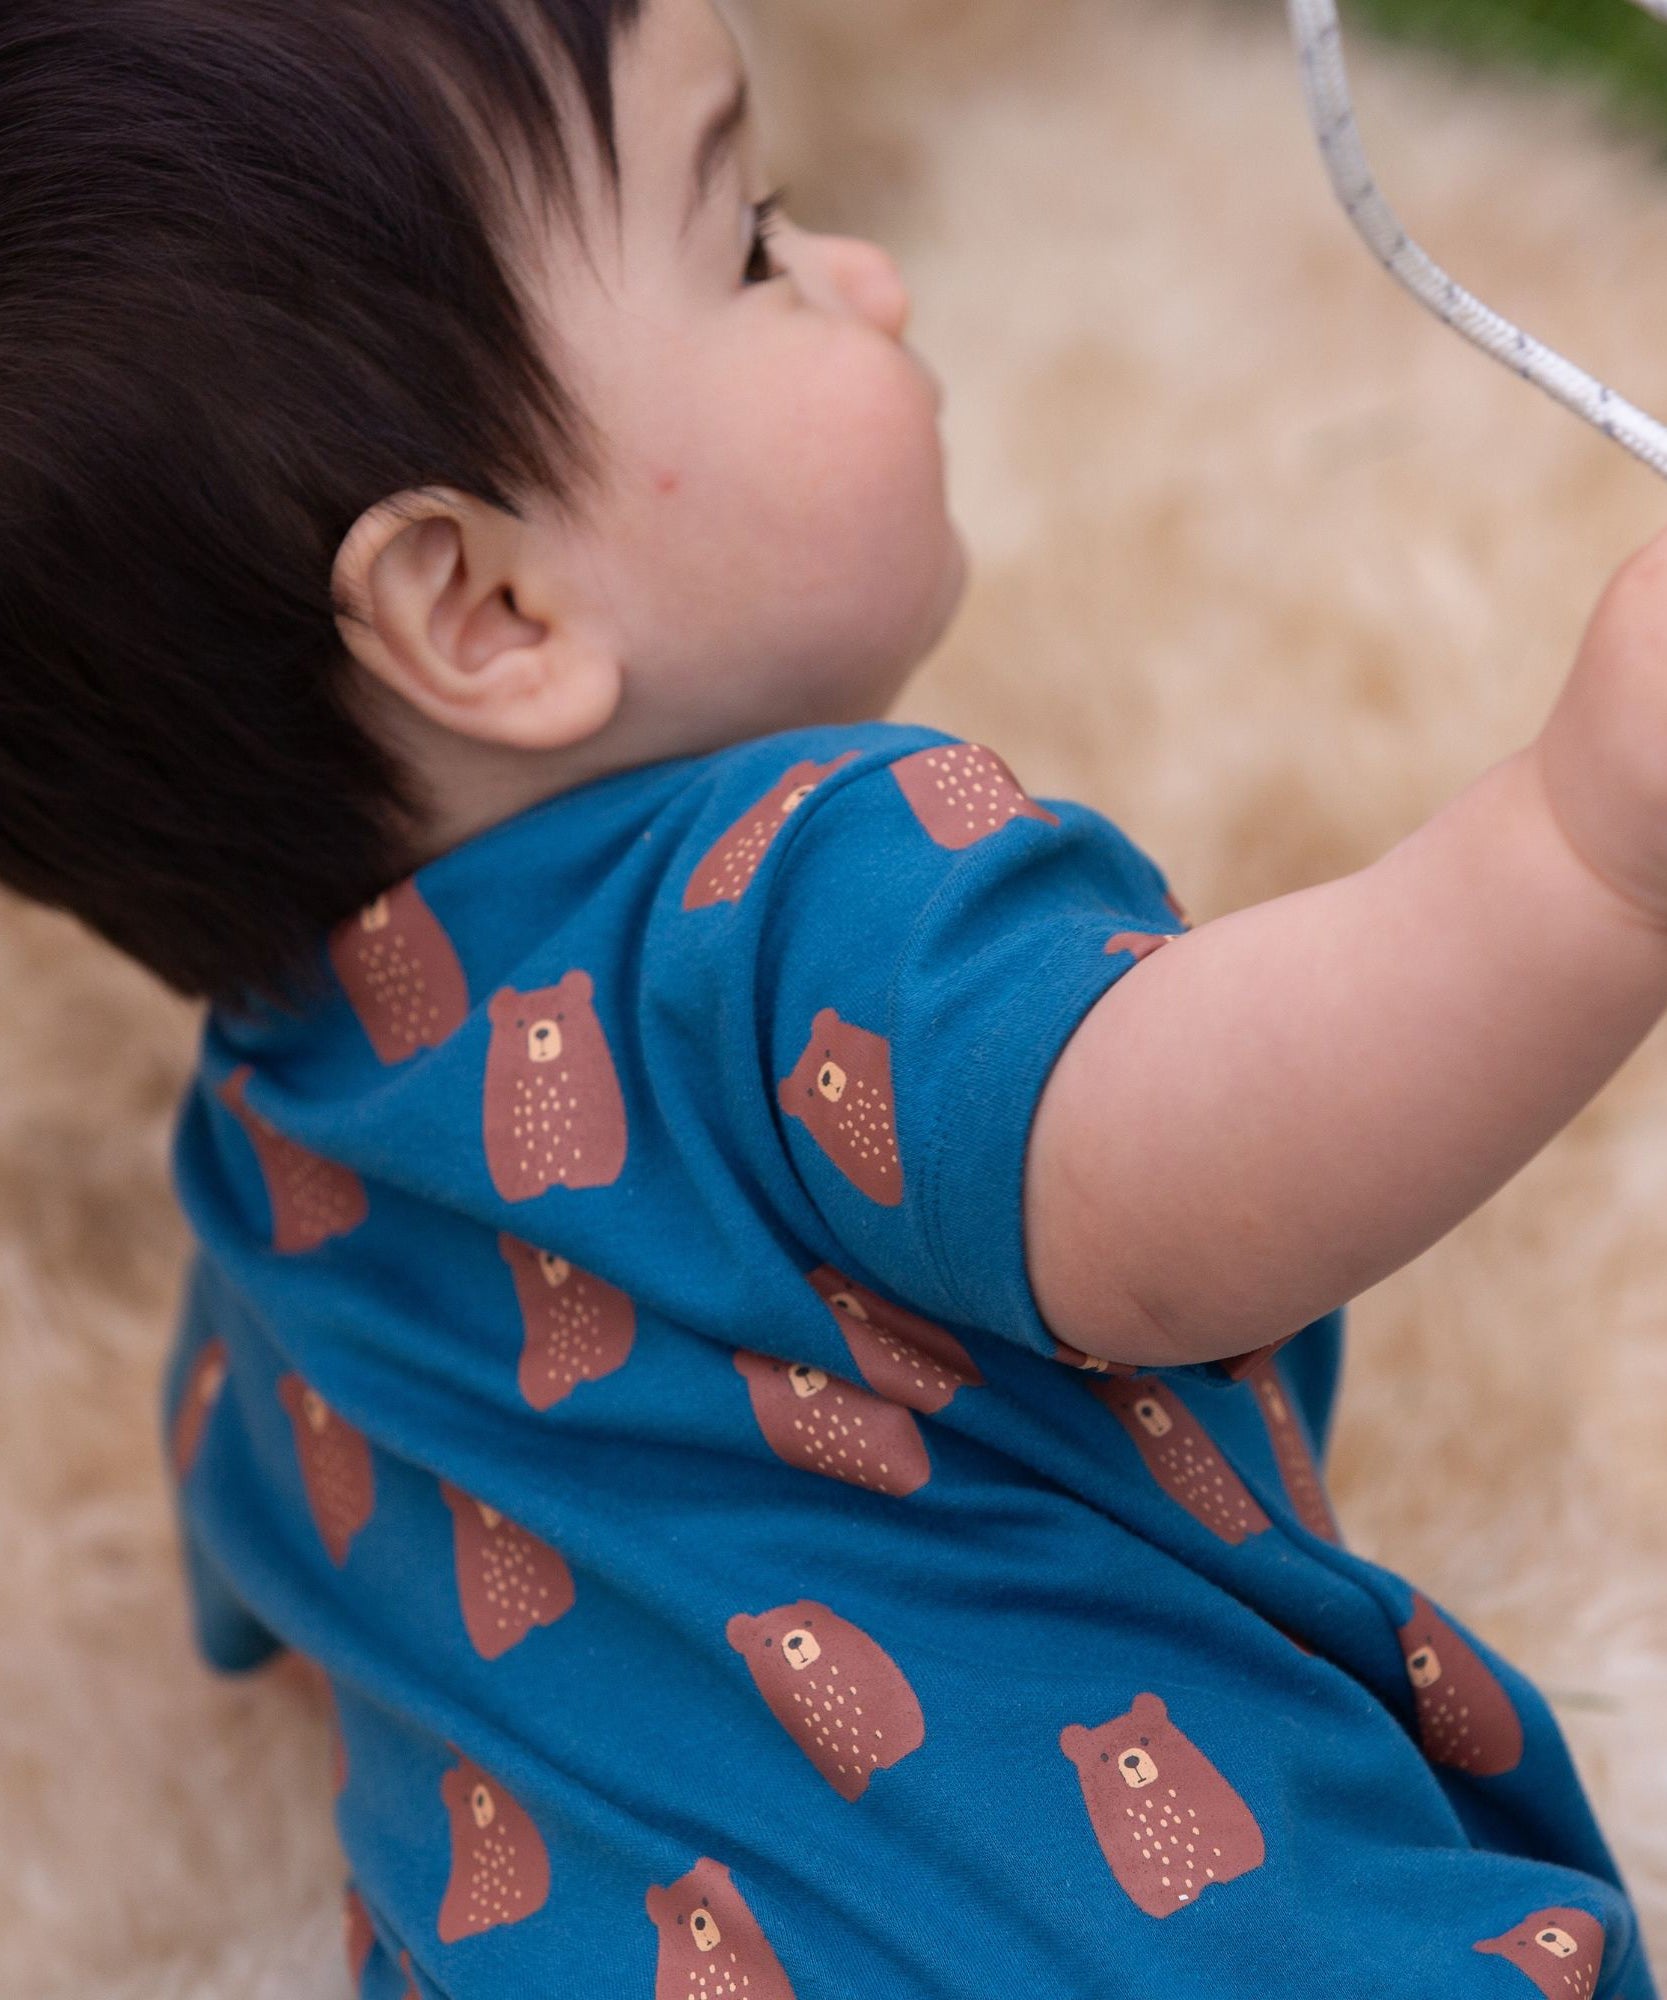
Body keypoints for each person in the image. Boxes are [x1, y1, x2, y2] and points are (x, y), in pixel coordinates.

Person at [3, 0, 1663, 1992]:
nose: (865, 280)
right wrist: (1584, 853)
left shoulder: (257, 1185)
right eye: (756, 237)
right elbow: (1168, 1174)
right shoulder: (801, 895)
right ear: (486, 611)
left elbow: (257, 1572)